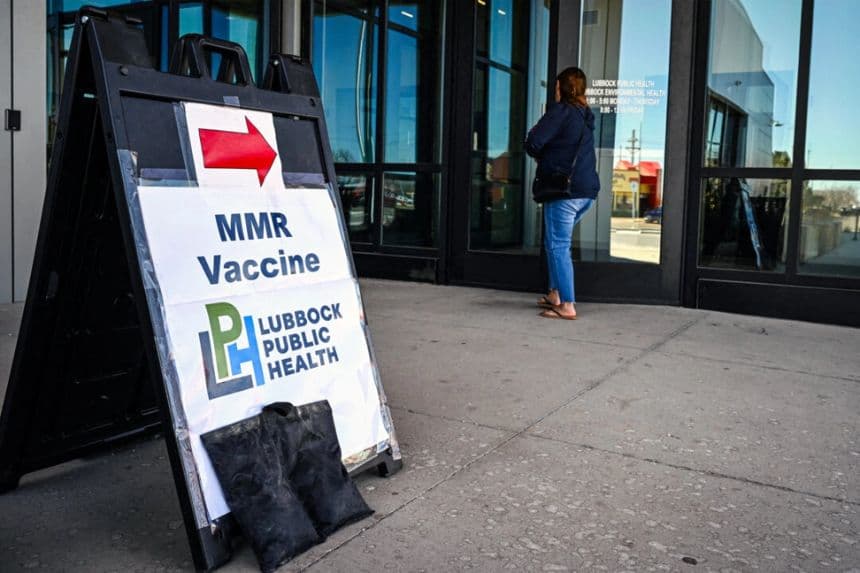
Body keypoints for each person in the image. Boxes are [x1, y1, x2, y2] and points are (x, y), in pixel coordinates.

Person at [525, 66, 600, 320]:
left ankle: (567, 305)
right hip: (585, 193)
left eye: (556, 87)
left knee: (558, 245)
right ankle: (555, 294)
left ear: (560, 88)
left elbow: (533, 142)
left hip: (564, 191)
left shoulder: (561, 111)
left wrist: (544, 157)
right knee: (553, 242)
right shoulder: (585, 116)